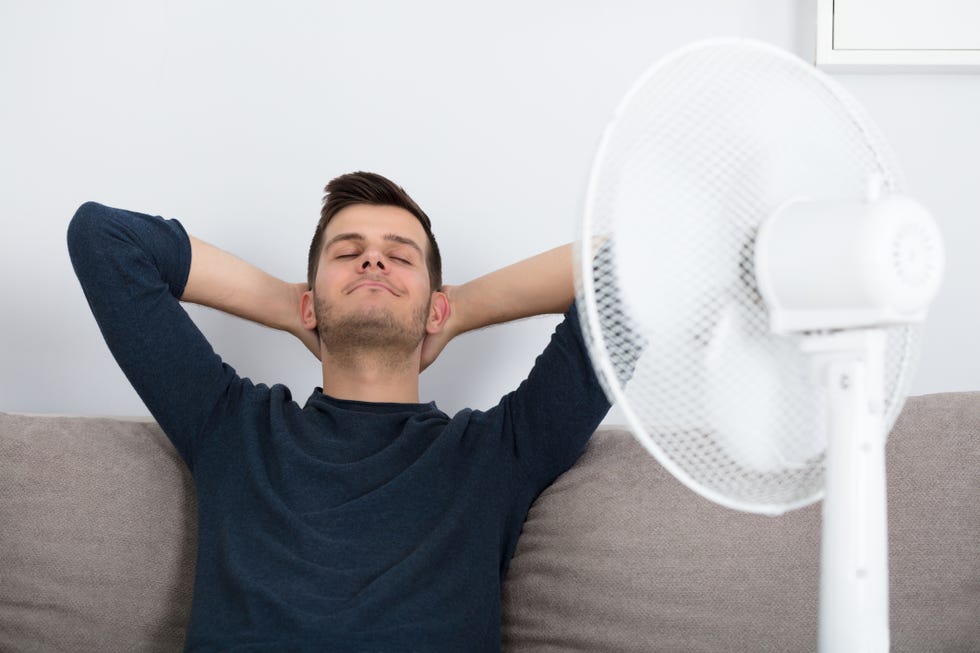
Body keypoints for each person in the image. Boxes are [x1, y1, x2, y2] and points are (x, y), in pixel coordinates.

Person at [68, 171, 610, 652]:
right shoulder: (231, 426)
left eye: (399, 256)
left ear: (434, 308)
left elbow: (646, 266)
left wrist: (458, 309)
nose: (373, 259)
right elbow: (104, 237)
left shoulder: (499, 452)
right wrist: (291, 306)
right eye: (348, 253)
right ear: (309, 303)